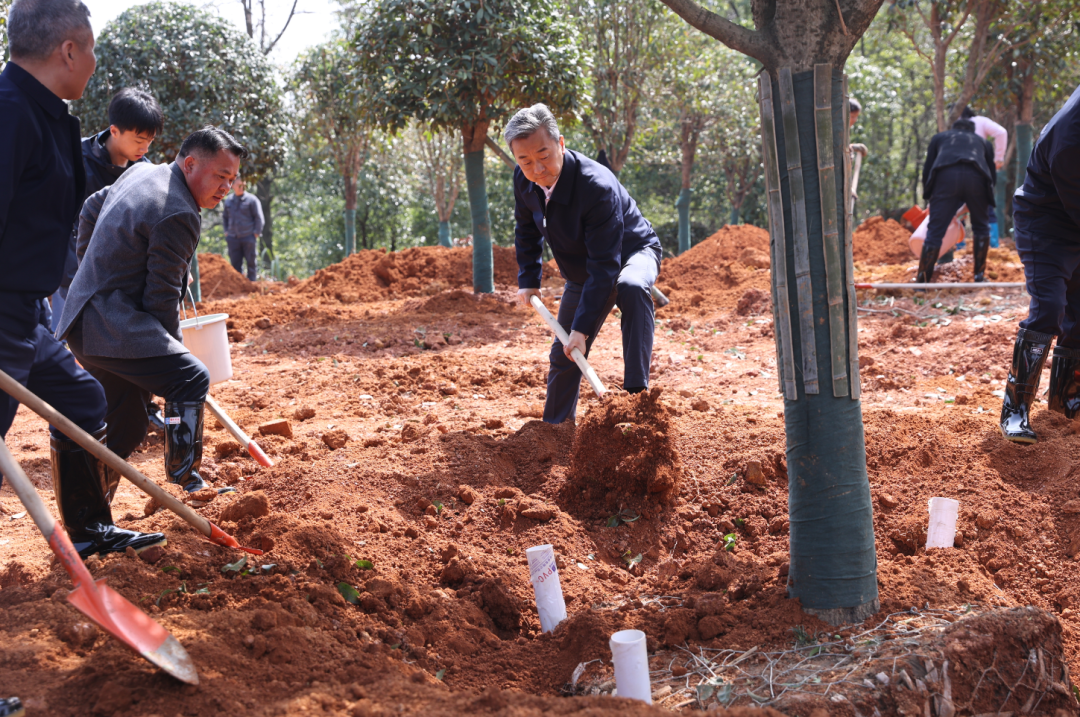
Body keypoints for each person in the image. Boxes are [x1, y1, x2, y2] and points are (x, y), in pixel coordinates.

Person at [0, 0, 165, 562]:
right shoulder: (9, 113)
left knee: (79, 398)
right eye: (90, 48)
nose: (94, 62)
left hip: (29, 312)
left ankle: (90, 531)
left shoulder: (48, 117)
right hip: (0, 313)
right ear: (68, 49)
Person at [56, 126, 247, 493]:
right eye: (221, 176)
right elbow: (162, 300)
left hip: (87, 320)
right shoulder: (179, 211)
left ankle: (90, 516)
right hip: (110, 327)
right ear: (191, 164)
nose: (226, 187)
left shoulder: (144, 170)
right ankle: (186, 483)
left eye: (232, 179)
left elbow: (92, 206)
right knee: (190, 377)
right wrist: (173, 361)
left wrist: (89, 273)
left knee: (125, 425)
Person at [506, 103, 663, 424]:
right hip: (583, 270)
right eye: (525, 161)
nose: (537, 168)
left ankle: (636, 401)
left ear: (560, 144)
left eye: (544, 155)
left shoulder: (596, 186)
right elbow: (525, 229)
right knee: (565, 352)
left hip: (633, 251)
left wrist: (581, 329)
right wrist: (528, 278)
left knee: (630, 287)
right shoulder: (524, 181)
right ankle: (555, 429)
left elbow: (606, 265)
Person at [999, 84, 1080, 444]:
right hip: (1045, 220)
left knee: (1078, 313)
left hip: (1072, 214)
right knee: (1049, 307)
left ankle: (1067, 399)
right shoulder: (1070, 140)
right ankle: (1014, 408)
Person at [916, 116, 996, 283]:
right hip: (977, 179)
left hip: (946, 178)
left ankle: (922, 281)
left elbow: (928, 169)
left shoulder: (939, 138)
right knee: (981, 227)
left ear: (953, 128)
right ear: (972, 132)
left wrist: (930, 197)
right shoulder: (983, 143)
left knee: (935, 230)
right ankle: (979, 276)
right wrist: (979, 202)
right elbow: (992, 176)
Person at [221, 177, 264, 281]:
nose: (241, 188)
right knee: (235, 264)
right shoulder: (228, 201)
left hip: (248, 237)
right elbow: (225, 218)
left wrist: (256, 233)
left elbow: (259, 218)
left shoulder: (252, 200)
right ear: (233, 186)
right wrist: (226, 232)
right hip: (233, 238)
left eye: (243, 185)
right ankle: (238, 286)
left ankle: (252, 285)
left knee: (251, 263)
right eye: (239, 185)